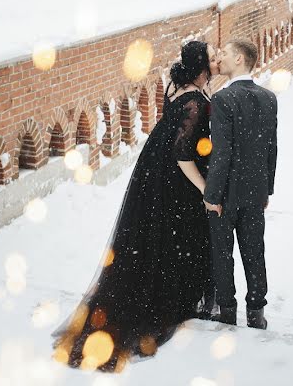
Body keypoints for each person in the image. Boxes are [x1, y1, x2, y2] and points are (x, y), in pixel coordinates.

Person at [52, 40, 217, 372]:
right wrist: (204, 189)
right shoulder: (196, 102)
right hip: (174, 177)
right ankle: (167, 302)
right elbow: (183, 153)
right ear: (201, 67)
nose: (215, 63)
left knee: (153, 239)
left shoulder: (177, 88)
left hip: (153, 172)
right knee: (176, 238)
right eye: (212, 59)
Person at [204, 39, 278, 330]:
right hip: (255, 192)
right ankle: (256, 312)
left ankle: (227, 309)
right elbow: (271, 148)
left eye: (225, 54)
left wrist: (212, 195)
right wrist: (267, 190)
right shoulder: (269, 98)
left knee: (223, 254)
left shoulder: (223, 99)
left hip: (226, 194)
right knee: (254, 250)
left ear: (239, 59)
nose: (220, 58)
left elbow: (222, 152)